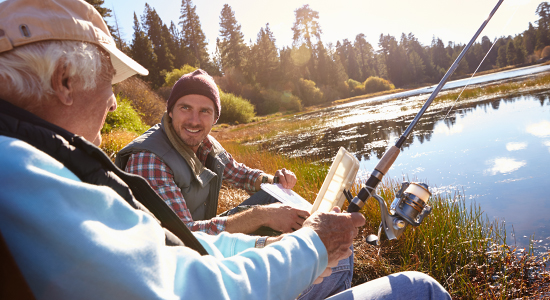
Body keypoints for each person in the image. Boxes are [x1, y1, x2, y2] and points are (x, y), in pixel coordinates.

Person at [0, 0, 451, 299]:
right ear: (64, 81)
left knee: (327, 253)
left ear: (215, 118)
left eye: (206, 112)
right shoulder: (41, 178)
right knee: (419, 288)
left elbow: (176, 246)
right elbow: (189, 279)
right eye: (108, 81)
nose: (115, 100)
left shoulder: (44, 164)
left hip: (216, 256)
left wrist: (270, 196)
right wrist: (305, 239)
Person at [115, 68, 356, 299]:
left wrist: (274, 180)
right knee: (340, 258)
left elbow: (240, 173)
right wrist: (262, 216)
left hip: (202, 244)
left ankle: (306, 251)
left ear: (215, 117)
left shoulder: (206, 143)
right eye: (185, 108)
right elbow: (184, 237)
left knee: (277, 196)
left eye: (205, 111)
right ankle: (306, 272)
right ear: (170, 111)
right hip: (177, 267)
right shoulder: (149, 159)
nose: (194, 120)